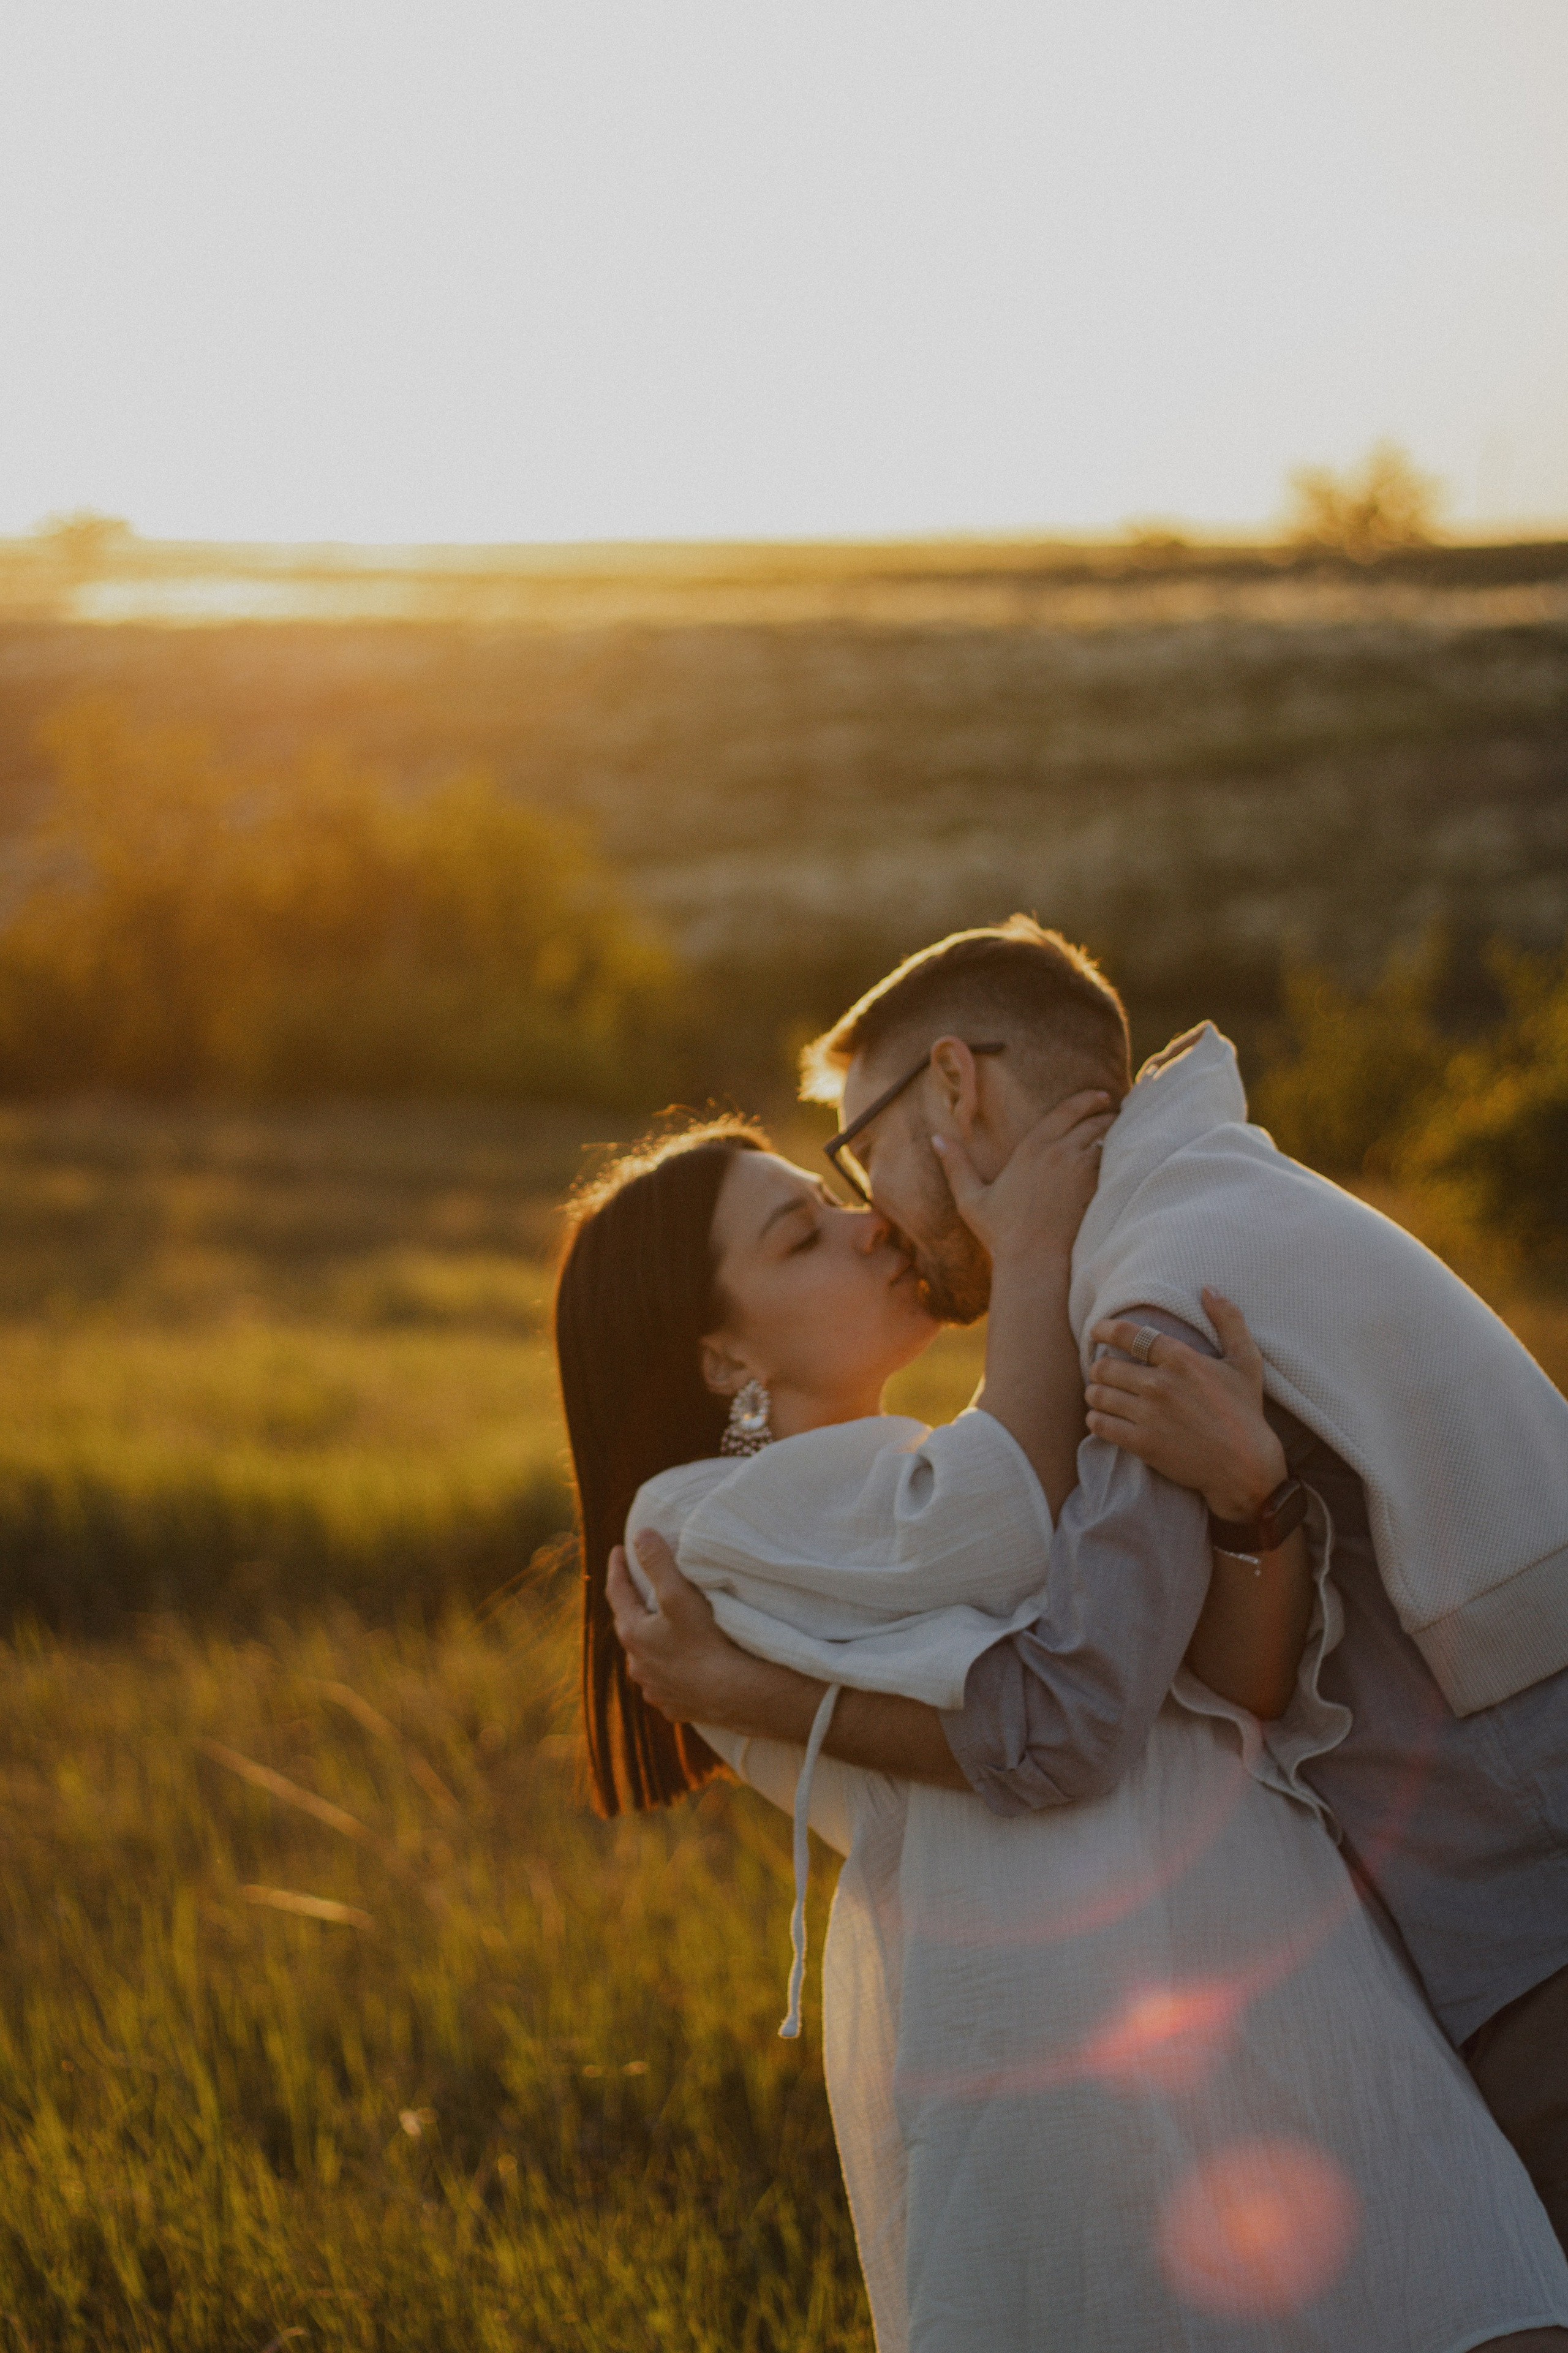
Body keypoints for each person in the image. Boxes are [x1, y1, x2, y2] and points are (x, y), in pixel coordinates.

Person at [611, 917, 1568, 2286]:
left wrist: (749, 1693)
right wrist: (1251, 1505)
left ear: (954, 1088)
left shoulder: (1147, 1299)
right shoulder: (1206, 1196)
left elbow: (1071, 1717)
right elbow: (1236, 1676)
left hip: (1524, 1902)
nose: (873, 1212)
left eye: (857, 1155)